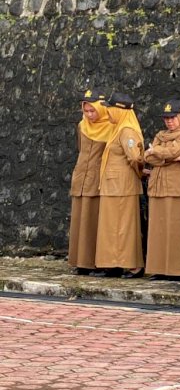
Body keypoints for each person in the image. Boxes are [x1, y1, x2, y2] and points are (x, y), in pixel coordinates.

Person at [143, 99, 180, 282]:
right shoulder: (161, 135)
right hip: (158, 185)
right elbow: (147, 158)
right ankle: (158, 268)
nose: (169, 121)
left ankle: (175, 271)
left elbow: (171, 151)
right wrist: (170, 159)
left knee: (176, 228)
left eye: (173, 117)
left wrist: (157, 152)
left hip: (177, 187)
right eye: (166, 118)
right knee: (158, 228)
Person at [95, 92, 145, 278]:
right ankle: (113, 264)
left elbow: (134, 156)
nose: (108, 112)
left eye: (111, 108)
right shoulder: (119, 128)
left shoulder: (127, 130)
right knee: (111, 226)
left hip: (122, 186)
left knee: (124, 226)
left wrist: (140, 172)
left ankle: (133, 265)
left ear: (120, 111)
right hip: (114, 186)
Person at [69, 88, 113, 276]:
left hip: (98, 179)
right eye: (86, 111)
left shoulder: (111, 127)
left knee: (94, 220)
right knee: (80, 219)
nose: (89, 115)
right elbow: (81, 149)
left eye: (92, 110)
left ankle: (95, 261)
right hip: (81, 176)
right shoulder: (82, 126)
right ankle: (81, 261)